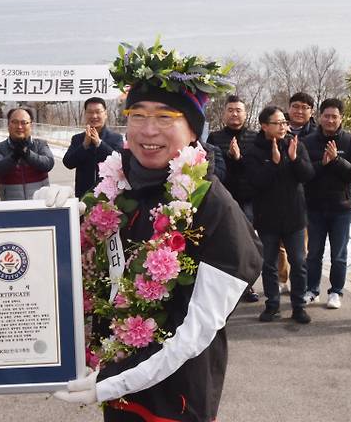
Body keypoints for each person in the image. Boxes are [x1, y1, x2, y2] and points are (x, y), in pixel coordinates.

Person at [52, 42, 262, 422]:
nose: (148, 130)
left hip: (175, 400)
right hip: (116, 388)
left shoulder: (215, 208)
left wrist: (111, 382)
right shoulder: (116, 188)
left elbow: (194, 334)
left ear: (193, 131)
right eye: (137, 115)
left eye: (166, 118)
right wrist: (50, 217)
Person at [245, 106, 314, 323]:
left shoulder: (296, 145)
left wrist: (294, 159)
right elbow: (256, 183)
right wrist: (273, 165)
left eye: (284, 122)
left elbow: (308, 175)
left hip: (294, 217)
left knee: (299, 263)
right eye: (278, 123)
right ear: (264, 126)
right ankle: (272, 305)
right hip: (268, 219)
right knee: (269, 265)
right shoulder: (254, 151)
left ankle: (298, 306)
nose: (283, 127)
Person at [302, 98, 351, 309]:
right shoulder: (308, 141)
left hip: (340, 209)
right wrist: (322, 163)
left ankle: (336, 291)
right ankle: (312, 290)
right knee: (314, 253)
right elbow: (304, 173)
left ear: (341, 118)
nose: (330, 120)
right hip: (315, 207)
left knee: (339, 255)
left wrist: (337, 160)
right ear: (319, 117)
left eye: (334, 116)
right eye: (326, 115)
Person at [207, 95, 260, 301]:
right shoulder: (214, 138)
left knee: (247, 243)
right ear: (224, 113)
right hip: (224, 198)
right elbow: (214, 169)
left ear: (246, 114)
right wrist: (229, 158)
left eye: (238, 110)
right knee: (225, 243)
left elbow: (256, 169)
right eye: (230, 110)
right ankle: (225, 287)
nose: (234, 114)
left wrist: (238, 159)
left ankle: (247, 285)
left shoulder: (256, 137)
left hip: (249, 198)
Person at [275, 92, 319, 292]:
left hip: (309, 196)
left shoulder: (317, 134)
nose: (300, 111)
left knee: (301, 247)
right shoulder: (277, 128)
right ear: (289, 107)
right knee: (280, 245)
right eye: (296, 106)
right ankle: (282, 278)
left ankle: (297, 281)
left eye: (305, 107)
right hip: (280, 197)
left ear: (311, 111)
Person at [62, 97, 123, 198]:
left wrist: (99, 143)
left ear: (105, 114)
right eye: (90, 112)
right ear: (85, 114)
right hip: (84, 196)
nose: (94, 116)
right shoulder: (77, 139)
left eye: (98, 112)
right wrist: (84, 145)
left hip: (109, 197)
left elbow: (119, 164)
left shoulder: (116, 138)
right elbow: (68, 163)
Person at [0, 107, 54, 200]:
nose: (19, 127)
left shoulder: (40, 144)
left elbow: (48, 163)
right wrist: (14, 157)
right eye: (15, 122)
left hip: (40, 203)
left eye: (24, 123)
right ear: (8, 125)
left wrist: (27, 154)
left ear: (31, 125)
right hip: (12, 206)